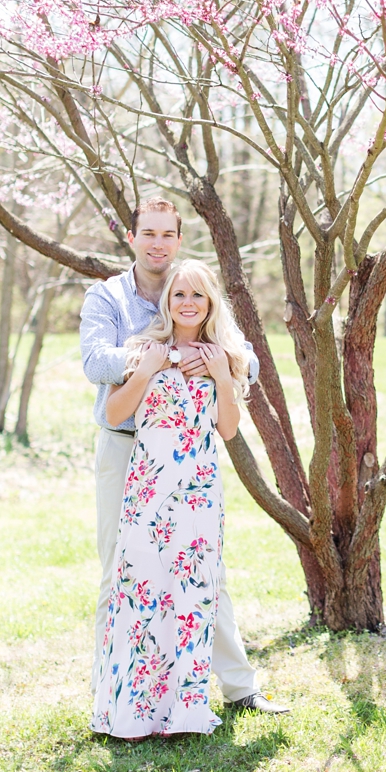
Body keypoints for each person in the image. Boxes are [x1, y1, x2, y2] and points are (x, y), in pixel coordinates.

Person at [80, 196, 287, 721]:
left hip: (189, 462)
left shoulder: (192, 290)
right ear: (131, 237)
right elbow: (96, 362)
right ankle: (118, 696)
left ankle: (239, 687)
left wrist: (213, 362)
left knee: (202, 572)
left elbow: (249, 361)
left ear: (177, 238)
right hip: (126, 446)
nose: (157, 243)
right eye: (147, 233)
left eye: (166, 234)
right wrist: (160, 360)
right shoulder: (108, 298)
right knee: (121, 572)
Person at [91, 259, 247, 737]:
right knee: (141, 593)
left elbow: (229, 428)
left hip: (198, 492)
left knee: (193, 594)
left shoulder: (224, 354)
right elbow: (115, 412)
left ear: (210, 303)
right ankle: (133, 712)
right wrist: (147, 370)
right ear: (167, 301)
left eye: (197, 295)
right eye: (179, 294)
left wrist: (222, 375)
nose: (187, 303)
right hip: (148, 488)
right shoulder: (142, 347)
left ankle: (185, 711)